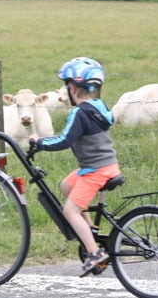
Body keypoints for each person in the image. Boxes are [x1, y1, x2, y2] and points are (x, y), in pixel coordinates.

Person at [28, 57, 119, 277]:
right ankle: (89, 231)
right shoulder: (100, 106)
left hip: (95, 171)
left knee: (69, 210)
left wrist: (39, 142)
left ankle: (94, 253)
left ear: (72, 88)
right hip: (107, 166)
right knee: (67, 185)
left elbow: (64, 140)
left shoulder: (79, 112)